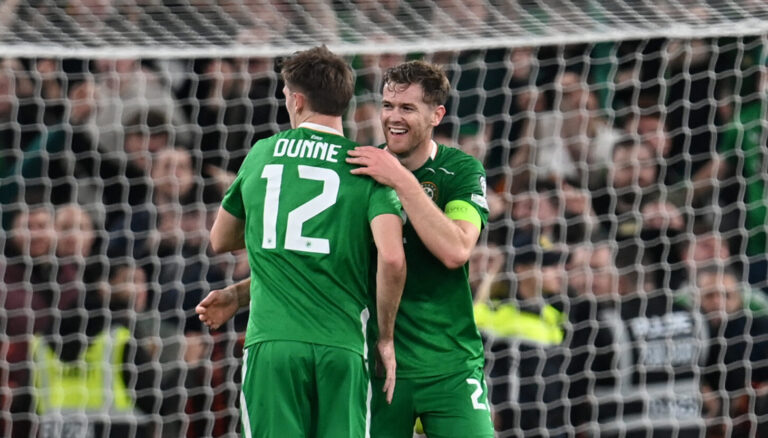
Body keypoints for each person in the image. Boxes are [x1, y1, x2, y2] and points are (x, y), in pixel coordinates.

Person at [196, 46, 406, 437]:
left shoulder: (263, 154)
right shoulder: (368, 166)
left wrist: (269, 228)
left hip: (273, 345)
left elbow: (220, 239)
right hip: (342, 347)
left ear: (296, 99)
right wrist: (387, 337)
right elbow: (392, 260)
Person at [345, 60, 494, 437]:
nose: (393, 117)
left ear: (436, 114)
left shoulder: (461, 170)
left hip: (451, 363)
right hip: (380, 367)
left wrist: (399, 178)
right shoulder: (360, 172)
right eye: (388, 105)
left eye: (407, 108)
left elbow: (456, 249)